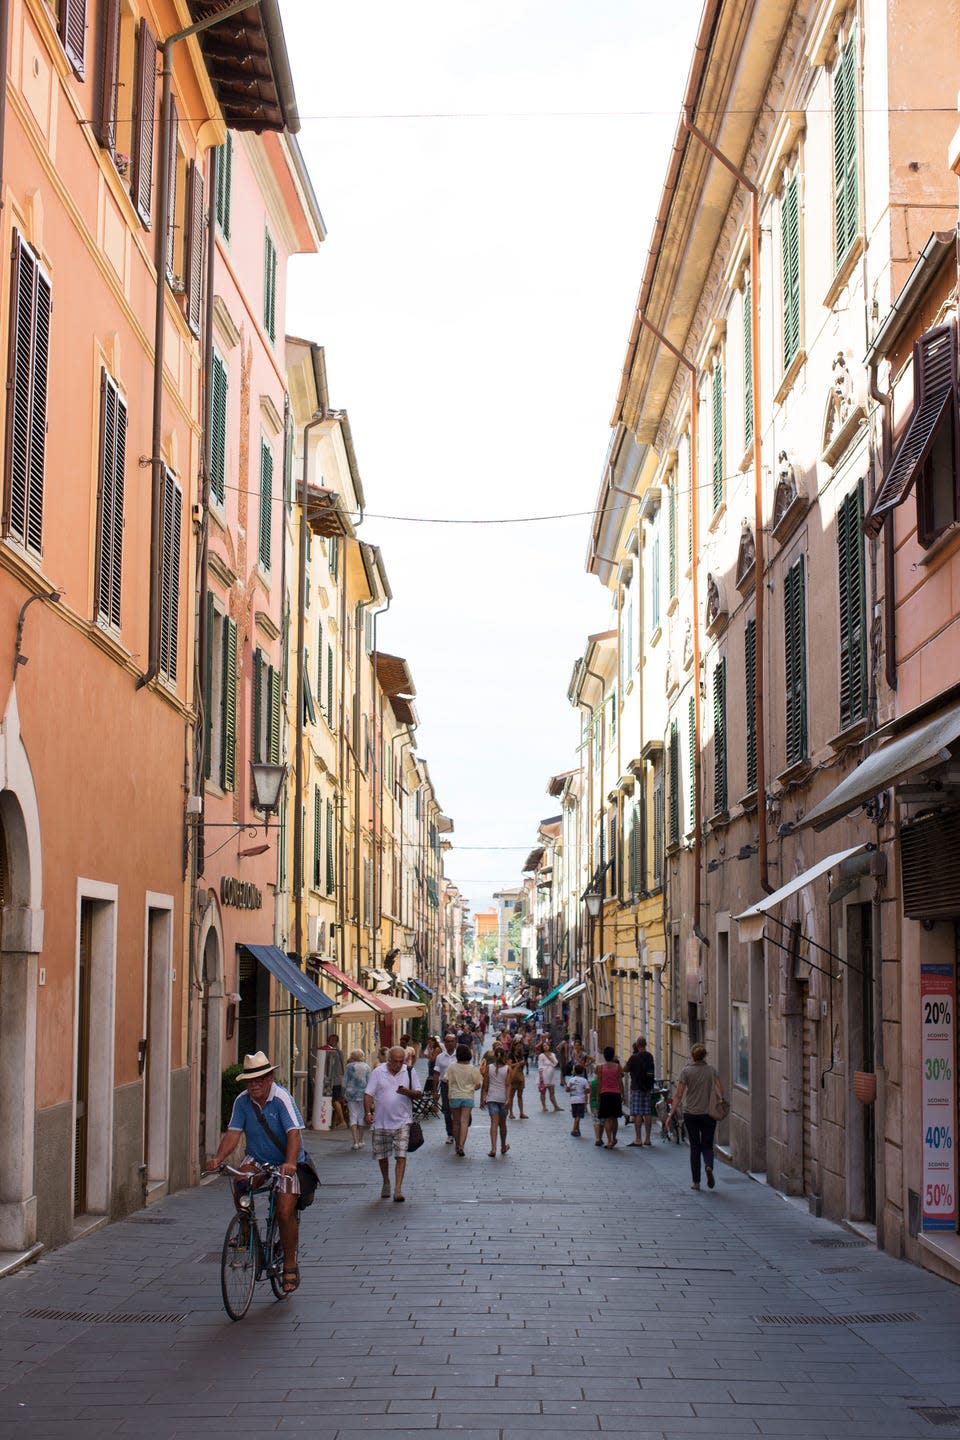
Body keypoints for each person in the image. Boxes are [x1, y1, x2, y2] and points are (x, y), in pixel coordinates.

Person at [205, 1051, 308, 1295]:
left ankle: (290, 1263)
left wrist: (291, 1163)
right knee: (240, 1180)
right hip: (258, 1158)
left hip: (286, 1160)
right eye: (250, 1080)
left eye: (260, 1079)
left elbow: (294, 1133)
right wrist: (218, 1158)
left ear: (270, 1078)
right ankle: (245, 1228)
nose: (255, 1084)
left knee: (284, 1210)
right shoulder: (242, 1101)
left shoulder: (282, 1098)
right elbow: (233, 1133)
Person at [363, 1045, 422, 1202]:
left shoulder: (409, 1071)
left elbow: (418, 1093)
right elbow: (368, 1094)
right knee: (382, 1156)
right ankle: (386, 1182)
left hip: (403, 1121)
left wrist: (407, 1092)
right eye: (394, 1061)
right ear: (388, 1060)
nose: (398, 1064)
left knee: (401, 1155)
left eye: (400, 1061)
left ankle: (398, 1189)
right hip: (381, 1121)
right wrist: (368, 1112)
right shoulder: (378, 1072)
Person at [671, 1043, 724, 1190]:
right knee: (707, 1145)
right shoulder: (712, 1071)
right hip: (708, 1114)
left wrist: (670, 1115)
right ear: (705, 1055)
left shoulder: (686, 1071)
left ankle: (696, 1182)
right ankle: (708, 1165)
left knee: (694, 1147)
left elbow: (679, 1094)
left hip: (691, 1114)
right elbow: (721, 1090)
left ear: (692, 1056)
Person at [445, 1042, 482, 1155]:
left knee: (455, 1122)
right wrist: (471, 1088)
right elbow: (478, 1084)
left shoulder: (452, 1067)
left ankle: (456, 1145)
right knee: (464, 1121)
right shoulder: (472, 1069)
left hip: (454, 1096)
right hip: (467, 1097)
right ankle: (461, 1145)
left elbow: (446, 1080)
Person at [624, 1036, 656, 1146]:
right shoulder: (650, 1056)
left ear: (637, 1045)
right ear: (645, 1044)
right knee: (647, 1113)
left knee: (637, 1113)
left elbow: (625, 1069)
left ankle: (638, 1139)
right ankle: (648, 1139)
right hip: (647, 1087)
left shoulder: (634, 1057)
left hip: (636, 1087)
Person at [480, 1045, 511, 1157]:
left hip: (491, 1098)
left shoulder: (489, 1067)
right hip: (503, 1099)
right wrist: (508, 1099)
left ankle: (493, 1149)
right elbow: (508, 1085)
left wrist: (482, 1098)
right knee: (502, 1124)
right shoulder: (508, 1068)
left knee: (494, 1123)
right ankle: (503, 1146)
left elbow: (485, 1085)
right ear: (504, 1056)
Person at [596, 1045, 624, 1149]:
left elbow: (599, 1082)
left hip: (605, 1094)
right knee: (614, 1118)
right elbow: (620, 1081)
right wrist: (622, 1094)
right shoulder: (617, 1067)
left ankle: (608, 1140)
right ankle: (614, 1138)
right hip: (615, 1094)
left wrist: (598, 1095)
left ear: (604, 1056)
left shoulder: (600, 1068)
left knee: (607, 1118)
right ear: (613, 1055)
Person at [343, 1048, 371, 1150]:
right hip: (363, 1095)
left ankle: (355, 1142)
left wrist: (343, 1093)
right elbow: (370, 1082)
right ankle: (361, 1140)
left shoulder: (349, 1067)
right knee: (361, 1117)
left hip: (351, 1095)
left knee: (352, 1116)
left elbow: (344, 1082)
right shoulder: (367, 1067)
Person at [435, 1032, 458, 1143]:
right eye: (447, 1041)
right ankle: (450, 1134)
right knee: (447, 1111)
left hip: (458, 1086)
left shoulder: (460, 1055)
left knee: (458, 1110)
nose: (449, 1043)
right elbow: (436, 1073)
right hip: (445, 1086)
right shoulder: (440, 1057)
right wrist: (434, 1090)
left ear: (455, 1043)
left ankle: (459, 1130)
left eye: (451, 1041)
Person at [323, 1032, 347, 1127]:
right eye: (330, 1040)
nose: (330, 1041)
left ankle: (342, 1121)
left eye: (332, 1040)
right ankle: (335, 1122)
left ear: (336, 1041)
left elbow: (330, 1066)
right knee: (337, 1100)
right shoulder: (338, 1052)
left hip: (334, 1080)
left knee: (335, 1100)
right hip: (337, 1079)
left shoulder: (332, 1052)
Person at [536, 1038, 563, 1112]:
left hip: (551, 1075)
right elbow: (540, 1066)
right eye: (544, 1046)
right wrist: (541, 1076)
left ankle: (556, 1106)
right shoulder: (541, 1055)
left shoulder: (553, 1054)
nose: (545, 1047)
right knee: (543, 1092)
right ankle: (544, 1106)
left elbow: (556, 1063)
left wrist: (551, 1059)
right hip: (544, 1075)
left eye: (546, 1045)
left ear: (549, 1046)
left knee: (552, 1092)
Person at [565, 1063, 590, 1137]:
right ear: (582, 1071)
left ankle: (578, 1131)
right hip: (581, 1100)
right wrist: (583, 1090)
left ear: (574, 1071)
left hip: (573, 1100)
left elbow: (567, 1090)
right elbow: (588, 1090)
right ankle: (573, 1129)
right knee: (579, 1116)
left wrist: (571, 1089)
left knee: (576, 1116)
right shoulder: (584, 1080)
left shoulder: (571, 1079)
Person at [507, 1040, 529, 1119]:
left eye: (520, 1045)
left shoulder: (521, 1054)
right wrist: (519, 1063)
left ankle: (521, 1113)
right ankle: (511, 1113)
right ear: (514, 1046)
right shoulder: (510, 1055)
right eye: (518, 1045)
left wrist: (523, 1063)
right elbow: (509, 1065)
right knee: (511, 1096)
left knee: (520, 1095)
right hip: (513, 1076)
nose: (520, 1047)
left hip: (520, 1076)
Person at [424, 1035, 443, 1112]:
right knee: (431, 1089)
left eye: (430, 1043)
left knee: (435, 1088)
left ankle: (435, 1106)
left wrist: (428, 1051)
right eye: (428, 1043)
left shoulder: (437, 1049)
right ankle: (433, 1106)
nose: (429, 1044)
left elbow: (432, 1059)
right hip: (431, 1070)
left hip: (435, 1071)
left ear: (434, 1042)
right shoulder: (433, 1049)